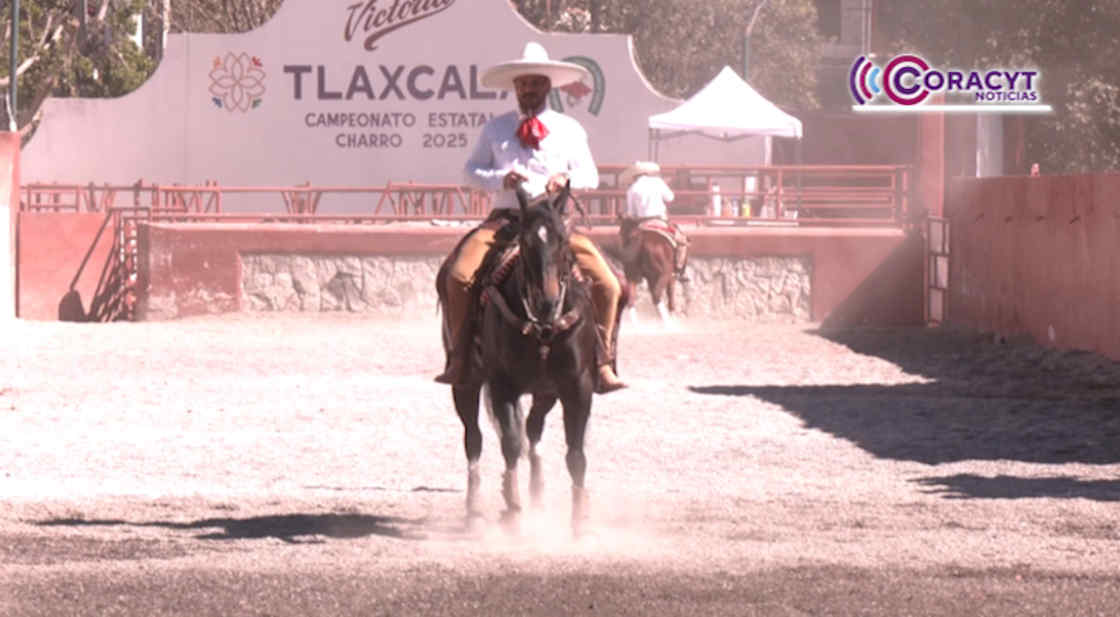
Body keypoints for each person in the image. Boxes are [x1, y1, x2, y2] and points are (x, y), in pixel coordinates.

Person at [435, 42, 627, 393]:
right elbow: (470, 172)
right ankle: (460, 357)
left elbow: (591, 174)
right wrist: (500, 178)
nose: (529, 89)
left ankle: (602, 362)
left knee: (609, 284)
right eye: (523, 84)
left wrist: (566, 179)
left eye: (535, 83)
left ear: (547, 86)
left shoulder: (569, 129)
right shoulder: (495, 129)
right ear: (515, 87)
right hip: (506, 222)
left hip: (555, 225)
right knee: (459, 275)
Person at [619, 161, 689, 280]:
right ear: (646, 173)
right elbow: (670, 198)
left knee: (627, 241)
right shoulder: (657, 182)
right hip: (660, 220)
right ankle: (679, 269)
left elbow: (632, 213)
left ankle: (630, 268)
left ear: (634, 176)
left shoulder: (632, 189)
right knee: (682, 241)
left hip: (642, 223)